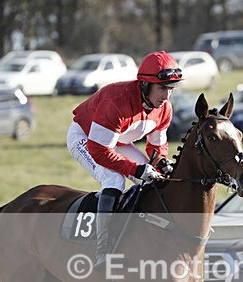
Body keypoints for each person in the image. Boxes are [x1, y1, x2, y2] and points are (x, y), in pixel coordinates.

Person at [66, 51, 183, 269]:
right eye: (162, 88)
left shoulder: (164, 109)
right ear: (145, 84)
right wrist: (135, 169)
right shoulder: (116, 102)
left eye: (170, 89)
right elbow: (99, 150)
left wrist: (161, 162)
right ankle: (103, 250)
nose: (166, 96)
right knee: (114, 179)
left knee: (154, 181)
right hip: (86, 137)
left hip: (116, 141)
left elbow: (157, 146)